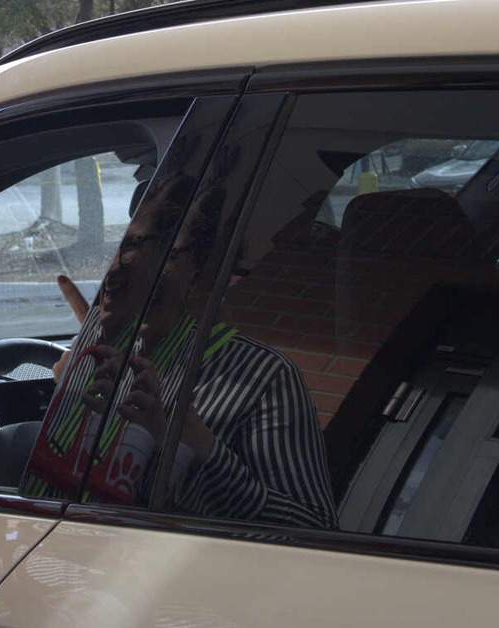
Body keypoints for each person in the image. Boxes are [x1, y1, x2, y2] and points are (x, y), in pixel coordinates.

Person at [36, 167, 338, 530]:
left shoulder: (263, 377)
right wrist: (68, 397)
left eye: (162, 251)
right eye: (126, 246)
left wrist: (195, 443)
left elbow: (314, 532)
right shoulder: (101, 347)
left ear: (198, 265)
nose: (121, 270)